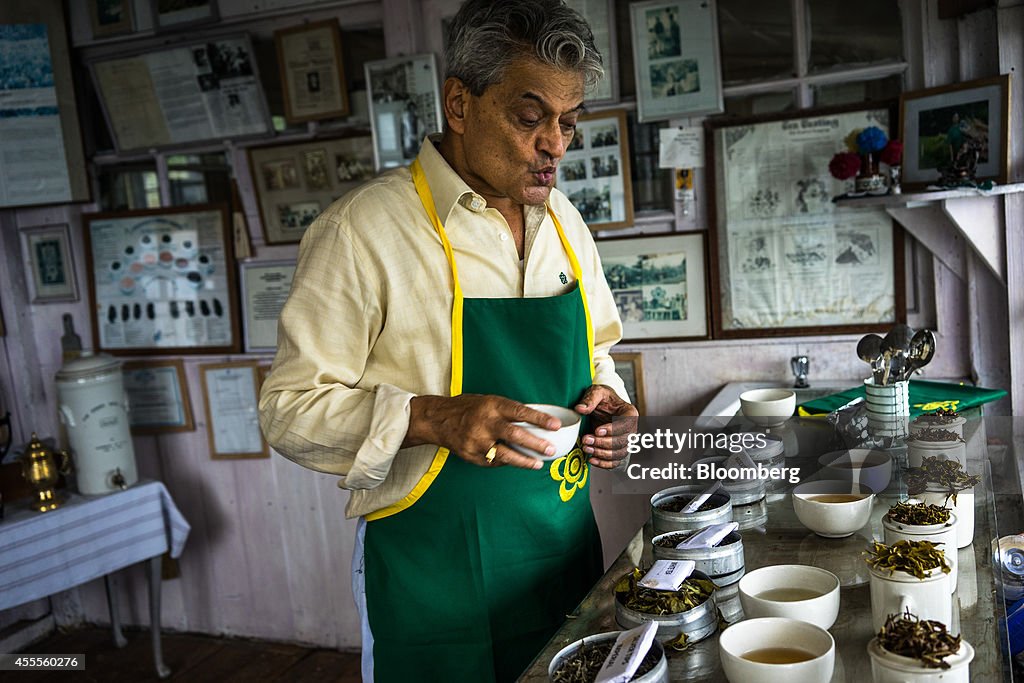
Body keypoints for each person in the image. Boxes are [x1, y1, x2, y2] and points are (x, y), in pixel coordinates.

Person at [258, 1, 637, 681]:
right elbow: (287, 409)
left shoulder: (566, 225)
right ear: (459, 104)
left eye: (569, 123)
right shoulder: (364, 231)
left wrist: (612, 401)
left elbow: (600, 348)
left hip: (560, 549)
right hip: (434, 570)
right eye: (530, 117)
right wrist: (434, 414)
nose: (554, 144)